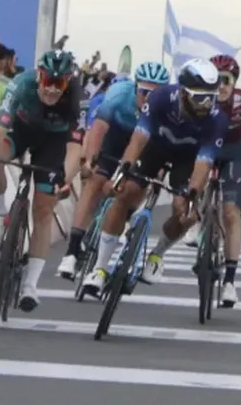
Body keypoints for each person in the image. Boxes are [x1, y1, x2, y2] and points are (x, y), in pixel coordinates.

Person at [80, 59, 229, 298]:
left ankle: (157, 254)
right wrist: (122, 171)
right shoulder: (160, 98)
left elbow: (203, 164)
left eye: (210, 98)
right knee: (125, 193)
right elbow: (138, 139)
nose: (205, 105)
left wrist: (191, 194)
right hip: (154, 148)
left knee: (186, 212)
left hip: (188, 159)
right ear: (182, 92)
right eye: (199, 98)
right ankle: (100, 269)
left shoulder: (217, 120)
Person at [0, 50, 83, 312]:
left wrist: (64, 179)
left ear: (68, 82)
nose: (53, 90)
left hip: (53, 144)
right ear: (39, 77)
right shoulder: (21, 84)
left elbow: (75, 149)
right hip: (20, 132)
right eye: (48, 81)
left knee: (44, 209)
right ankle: (1, 215)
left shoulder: (76, 98)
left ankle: (30, 286)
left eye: (60, 84)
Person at [55, 61, 170, 280]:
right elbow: (98, 129)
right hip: (116, 136)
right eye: (144, 92)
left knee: (140, 182)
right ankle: (71, 252)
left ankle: (125, 216)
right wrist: (89, 160)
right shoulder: (119, 94)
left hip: (144, 143)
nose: (148, 99)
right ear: (135, 87)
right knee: (95, 181)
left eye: (154, 95)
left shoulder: (167, 109)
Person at [180, 54, 241, 309]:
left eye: (227, 80)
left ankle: (229, 282)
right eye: (217, 80)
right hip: (207, 146)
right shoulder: (201, 98)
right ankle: (195, 222)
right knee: (196, 182)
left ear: (235, 81)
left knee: (231, 214)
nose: (223, 86)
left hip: (235, 151)